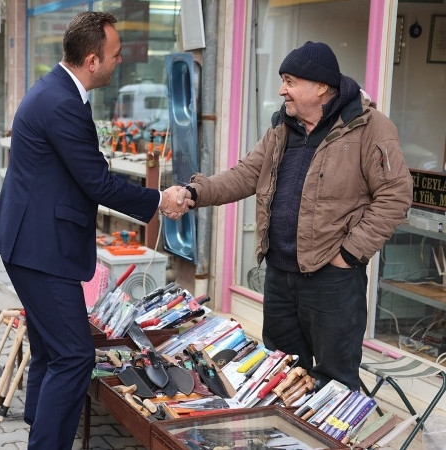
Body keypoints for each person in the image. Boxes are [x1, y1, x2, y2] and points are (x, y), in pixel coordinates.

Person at [0, 12, 184, 449]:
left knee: (50, 350)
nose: (119, 64)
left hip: (32, 241)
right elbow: (97, 182)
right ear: (92, 59)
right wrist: (158, 200)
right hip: (40, 248)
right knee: (75, 356)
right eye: (114, 56)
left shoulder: (58, 91)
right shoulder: (61, 102)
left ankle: (40, 429)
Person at [175, 41, 413, 391]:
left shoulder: (369, 127)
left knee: (334, 382)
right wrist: (195, 192)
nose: (280, 89)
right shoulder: (281, 127)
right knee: (280, 374)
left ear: (320, 86)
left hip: (333, 280)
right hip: (280, 275)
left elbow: (396, 195)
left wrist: (348, 255)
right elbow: (245, 175)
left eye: (289, 80)